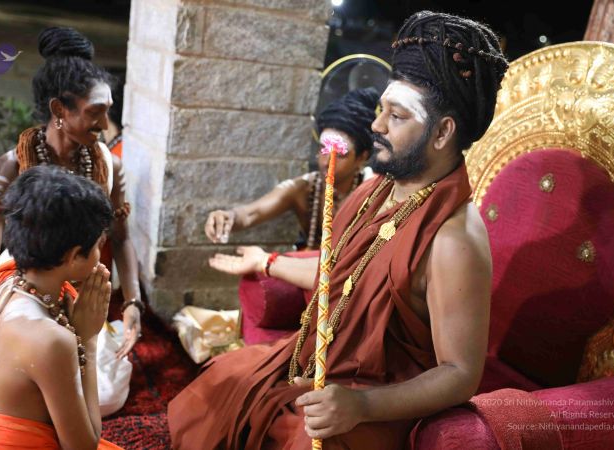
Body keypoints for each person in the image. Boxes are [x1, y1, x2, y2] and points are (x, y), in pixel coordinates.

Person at [168, 10, 508, 449]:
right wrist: (267, 263)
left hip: (377, 397)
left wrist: (360, 405)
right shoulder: (376, 188)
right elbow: (341, 275)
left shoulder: (454, 238)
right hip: (318, 362)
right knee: (223, 381)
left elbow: (460, 374)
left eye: (396, 116)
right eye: (381, 110)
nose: (376, 126)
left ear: (442, 132)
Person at [0, 27, 143, 360]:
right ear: (60, 110)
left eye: (107, 110)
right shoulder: (5, 171)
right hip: (21, 298)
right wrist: (11, 301)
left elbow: (121, 239)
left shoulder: (110, 167)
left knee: (100, 380)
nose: (105, 125)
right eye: (95, 112)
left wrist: (133, 302)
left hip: (85, 304)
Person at [0, 166, 121, 448]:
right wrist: (87, 341)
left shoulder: (2, 283)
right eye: (98, 245)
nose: (99, 255)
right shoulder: (52, 341)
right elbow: (83, 447)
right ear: (73, 256)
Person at [205, 88, 379, 250]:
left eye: (339, 155)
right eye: (323, 150)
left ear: (362, 157)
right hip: (306, 269)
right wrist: (229, 217)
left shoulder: (376, 193)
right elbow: (251, 214)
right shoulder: (304, 188)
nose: (327, 162)